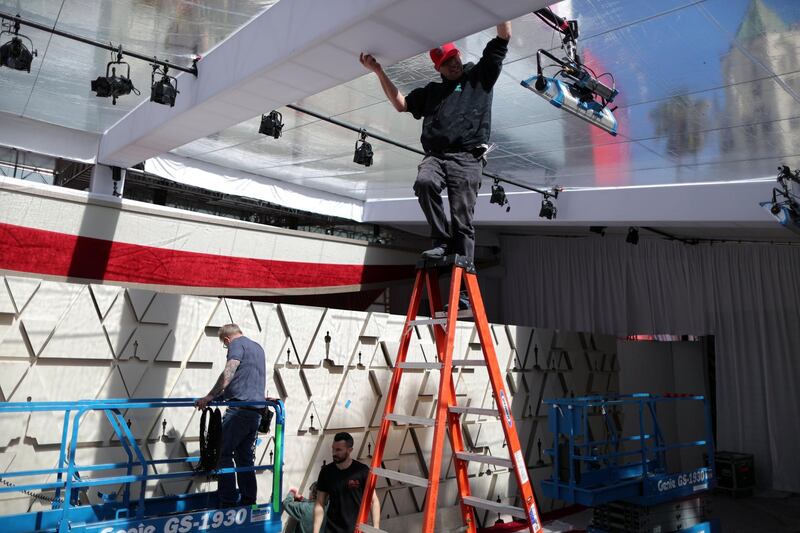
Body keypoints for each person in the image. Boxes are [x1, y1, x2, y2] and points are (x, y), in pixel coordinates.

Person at [359, 22, 512, 264]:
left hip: (468, 157)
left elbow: (503, 38)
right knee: (424, 182)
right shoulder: (431, 92)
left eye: (454, 58)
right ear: (437, 69)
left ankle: (463, 284)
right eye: (447, 63)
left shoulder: (478, 77)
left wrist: (502, 12)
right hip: (436, 156)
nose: (454, 64)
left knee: (462, 219)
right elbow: (401, 104)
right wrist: (378, 70)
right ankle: (441, 241)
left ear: (459, 56)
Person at [195, 323, 266, 508]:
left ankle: (227, 501)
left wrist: (210, 395)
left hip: (239, 410)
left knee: (222, 453)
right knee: (244, 458)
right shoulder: (257, 347)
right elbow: (249, 377)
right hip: (255, 411)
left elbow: (230, 370)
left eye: (225, 345)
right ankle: (249, 501)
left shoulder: (236, 345)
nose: (227, 348)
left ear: (227, 340)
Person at [313, 432, 380, 533]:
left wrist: (376, 528)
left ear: (349, 450)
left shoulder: (362, 471)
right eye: (333, 449)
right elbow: (319, 503)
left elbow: (373, 501)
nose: (334, 453)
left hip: (356, 529)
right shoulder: (326, 472)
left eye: (339, 450)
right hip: (332, 530)